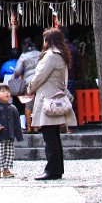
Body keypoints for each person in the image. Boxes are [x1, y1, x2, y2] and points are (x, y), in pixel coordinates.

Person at [27, 28, 77, 180]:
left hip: (47, 98)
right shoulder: (60, 55)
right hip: (55, 96)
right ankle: (56, 169)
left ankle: (51, 170)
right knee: (54, 135)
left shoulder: (50, 56)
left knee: (49, 136)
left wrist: (30, 88)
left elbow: (39, 76)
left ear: (48, 41)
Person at [0, 82, 24, 178]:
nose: (6, 93)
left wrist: (19, 135)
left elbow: (17, 123)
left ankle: (6, 170)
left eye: (8, 91)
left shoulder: (12, 108)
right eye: (3, 91)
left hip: (10, 135)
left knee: (9, 153)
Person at [14, 38, 41, 131]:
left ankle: (29, 127)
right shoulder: (40, 54)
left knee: (28, 104)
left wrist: (16, 75)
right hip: (39, 81)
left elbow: (17, 71)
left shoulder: (23, 56)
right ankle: (37, 126)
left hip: (28, 82)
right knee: (38, 103)